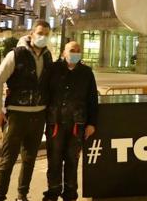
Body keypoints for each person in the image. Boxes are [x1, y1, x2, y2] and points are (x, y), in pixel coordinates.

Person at [0, 20, 54, 201]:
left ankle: (22, 195)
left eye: (46, 34)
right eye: (40, 33)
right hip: (17, 114)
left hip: (38, 114)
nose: (43, 37)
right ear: (32, 33)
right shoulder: (16, 55)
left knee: (29, 159)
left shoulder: (48, 56)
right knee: (7, 159)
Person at [43, 41, 99, 201]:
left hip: (77, 124)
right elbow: (44, 93)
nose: (75, 53)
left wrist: (91, 123)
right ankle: (52, 192)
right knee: (54, 160)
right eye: (72, 50)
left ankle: (70, 193)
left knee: (72, 160)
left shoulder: (87, 73)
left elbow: (92, 99)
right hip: (55, 123)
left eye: (78, 50)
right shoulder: (52, 70)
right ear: (63, 53)